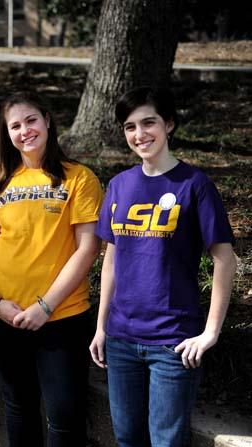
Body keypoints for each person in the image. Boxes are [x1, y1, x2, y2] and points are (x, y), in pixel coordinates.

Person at [89, 86, 237, 447]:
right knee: (127, 439)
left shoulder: (195, 185)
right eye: (129, 127)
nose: (139, 135)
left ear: (168, 124)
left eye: (148, 123)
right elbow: (111, 256)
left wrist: (211, 332)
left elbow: (225, 259)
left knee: (166, 442)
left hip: (173, 341)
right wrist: (101, 327)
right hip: (122, 339)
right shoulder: (120, 185)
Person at [0, 92, 103, 447]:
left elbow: (88, 248)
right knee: (18, 407)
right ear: (6, 134)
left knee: (65, 416)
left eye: (31, 121)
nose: (24, 131)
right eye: (15, 125)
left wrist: (45, 307)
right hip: (1, 318)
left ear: (47, 121)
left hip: (61, 318)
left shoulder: (79, 178)